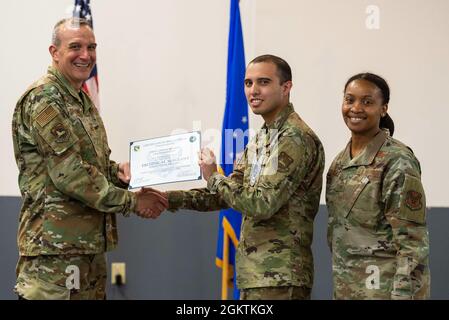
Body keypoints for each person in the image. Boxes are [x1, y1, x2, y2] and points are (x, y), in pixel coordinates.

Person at [11, 17, 167, 300]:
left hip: (87, 248)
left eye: (91, 47)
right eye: (75, 47)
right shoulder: (45, 99)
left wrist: (116, 170)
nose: (86, 55)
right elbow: (70, 174)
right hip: (54, 255)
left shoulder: (80, 100)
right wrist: (133, 201)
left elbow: (89, 163)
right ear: (54, 52)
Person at [149, 54, 324, 299]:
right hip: (258, 275)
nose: (253, 90)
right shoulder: (265, 136)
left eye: (263, 82)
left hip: (280, 277)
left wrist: (213, 177)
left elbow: (260, 204)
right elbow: (228, 195)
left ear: (286, 87)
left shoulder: (293, 138)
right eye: (248, 83)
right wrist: (167, 199)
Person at [326, 72, 430, 299]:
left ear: (383, 109)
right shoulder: (339, 163)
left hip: (385, 291)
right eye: (349, 99)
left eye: (367, 101)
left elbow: (412, 245)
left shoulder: (397, 161)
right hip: (348, 289)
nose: (355, 108)